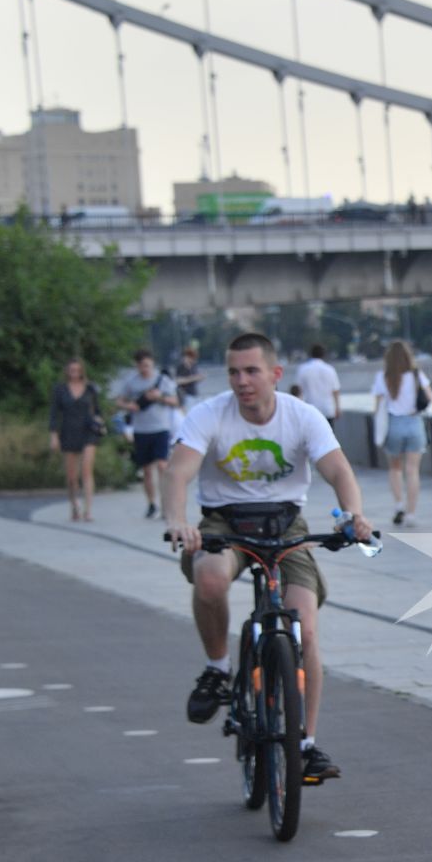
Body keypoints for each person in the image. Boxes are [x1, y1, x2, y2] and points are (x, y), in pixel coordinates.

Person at [162, 331, 373, 785]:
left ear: (275, 374)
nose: (242, 381)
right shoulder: (208, 414)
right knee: (212, 580)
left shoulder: (302, 416)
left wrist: (353, 514)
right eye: (234, 372)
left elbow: (338, 469)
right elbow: (179, 471)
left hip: (285, 523)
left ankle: (305, 745)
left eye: (252, 371)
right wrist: (178, 521)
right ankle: (218, 669)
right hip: (225, 521)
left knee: (306, 630)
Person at [115, 348, 180, 519]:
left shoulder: (162, 380)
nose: (145, 369)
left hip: (161, 428)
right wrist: (129, 406)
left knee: (162, 466)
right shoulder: (132, 382)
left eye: (147, 365)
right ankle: (151, 503)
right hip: (141, 429)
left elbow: (175, 401)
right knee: (147, 469)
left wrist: (159, 397)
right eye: (141, 366)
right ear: (137, 366)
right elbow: (119, 400)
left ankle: (167, 504)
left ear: (152, 363)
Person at [370, 339, 429, 526]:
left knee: (395, 469)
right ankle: (412, 513)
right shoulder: (416, 375)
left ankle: (399, 504)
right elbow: (430, 397)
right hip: (414, 423)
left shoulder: (383, 376)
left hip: (393, 424)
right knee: (412, 471)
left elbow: (377, 405)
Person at [47, 358, 103, 522]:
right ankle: (74, 505)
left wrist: (99, 422)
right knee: (72, 477)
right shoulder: (60, 390)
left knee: (86, 469)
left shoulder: (90, 388)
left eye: (77, 370)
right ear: (67, 372)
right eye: (71, 370)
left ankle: (88, 510)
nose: (74, 374)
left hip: (88, 431)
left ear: (82, 371)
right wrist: (54, 435)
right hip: (68, 431)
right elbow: (54, 414)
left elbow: (98, 410)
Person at [291, 342, 342, 425]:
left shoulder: (303, 369)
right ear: (323, 354)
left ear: (311, 354)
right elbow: (335, 391)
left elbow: (297, 390)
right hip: (328, 410)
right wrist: (337, 408)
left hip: (310, 410)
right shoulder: (330, 370)